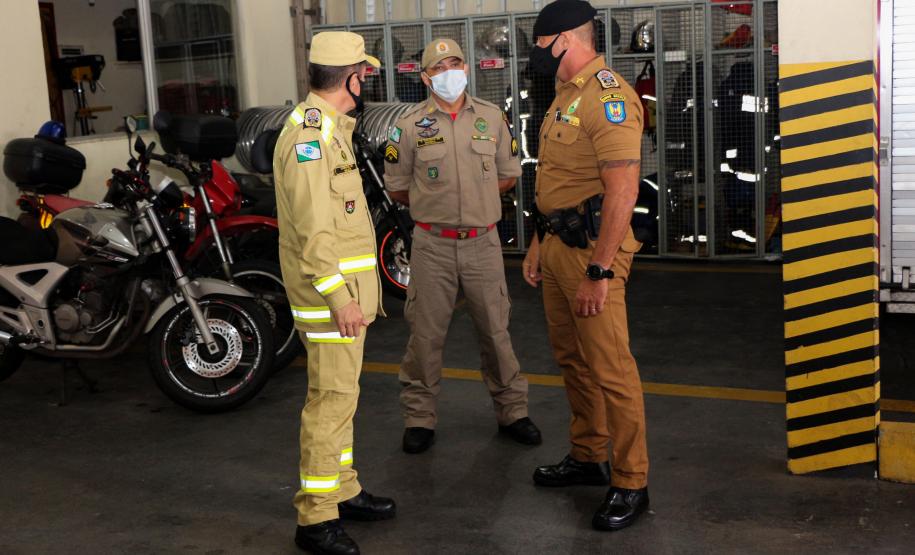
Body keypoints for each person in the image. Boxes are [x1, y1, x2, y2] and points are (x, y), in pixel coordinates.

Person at [522, 0, 650, 532]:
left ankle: (631, 481)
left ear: (566, 40)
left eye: (540, 46)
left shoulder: (609, 98)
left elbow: (623, 191)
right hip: (555, 245)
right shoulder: (563, 97)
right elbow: (554, 177)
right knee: (572, 359)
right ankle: (588, 454)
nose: (536, 58)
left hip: (592, 251)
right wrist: (536, 240)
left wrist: (600, 271)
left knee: (611, 367)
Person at [384, 38, 541, 454]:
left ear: (467, 69)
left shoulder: (491, 117)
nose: (448, 72)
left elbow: (508, 175)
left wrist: (475, 199)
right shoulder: (408, 125)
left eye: (454, 63)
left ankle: (513, 410)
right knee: (424, 335)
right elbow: (398, 188)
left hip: (482, 244)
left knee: (495, 331)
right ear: (425, 77)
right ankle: (419, 417)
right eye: (438, 67)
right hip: (432, 245)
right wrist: (436, 205)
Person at [274, 31, 395, 555]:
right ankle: (316, 518)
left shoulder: (332, 130)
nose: (366, 78)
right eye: (363, 72)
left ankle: (341, 490)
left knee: (343, 401)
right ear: (348, 76)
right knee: (330, 403)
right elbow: (313, 233)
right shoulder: (310, 135)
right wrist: (340, 297)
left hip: (345, 299)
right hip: (331, 302)